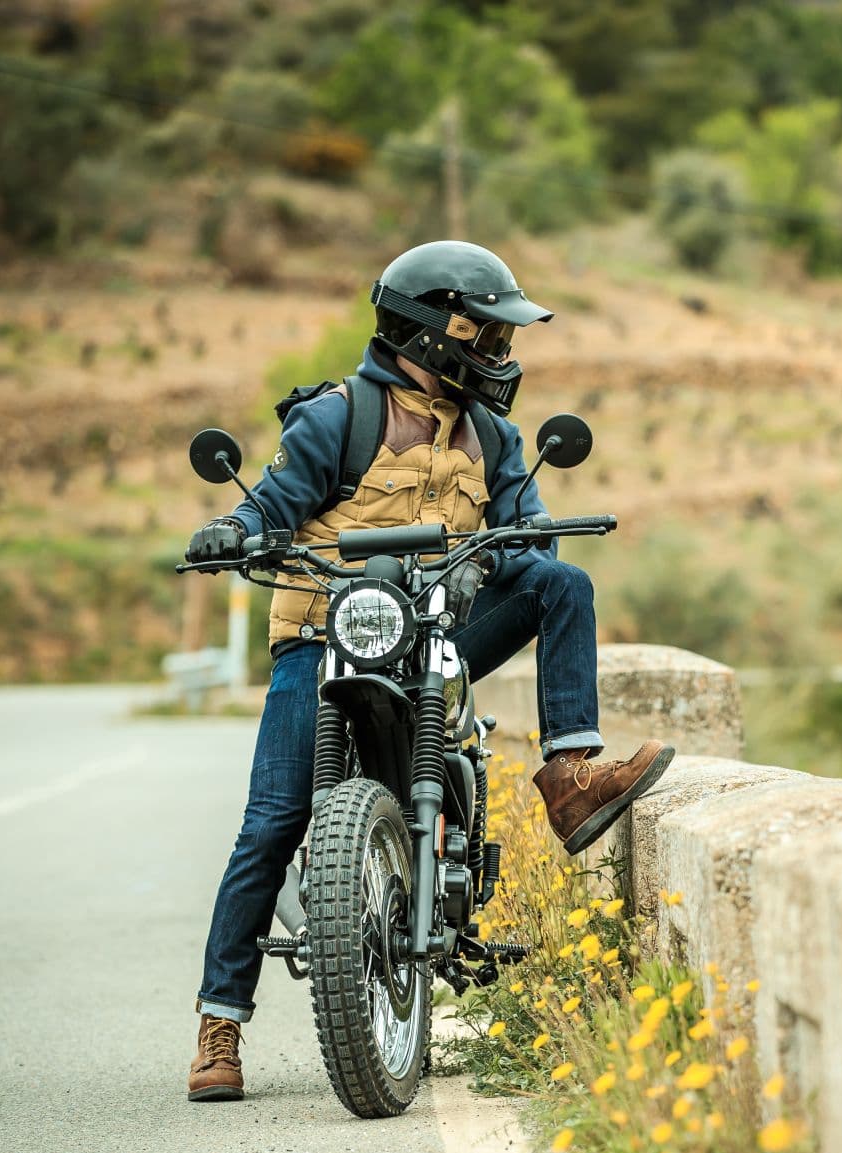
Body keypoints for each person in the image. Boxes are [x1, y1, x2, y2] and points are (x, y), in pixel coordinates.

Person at [181, 240, 672, 1102]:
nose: (501, 354)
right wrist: (235, 526)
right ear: (434, 332)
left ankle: (569, 774)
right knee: (271, 818)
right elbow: (273, 500)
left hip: (441, 630)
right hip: (327, 637)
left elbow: (531, 529)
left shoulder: (494, 435)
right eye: (487, 336)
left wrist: (508, 551)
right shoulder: (338, 417)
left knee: (562, 582)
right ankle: (220, 1022)